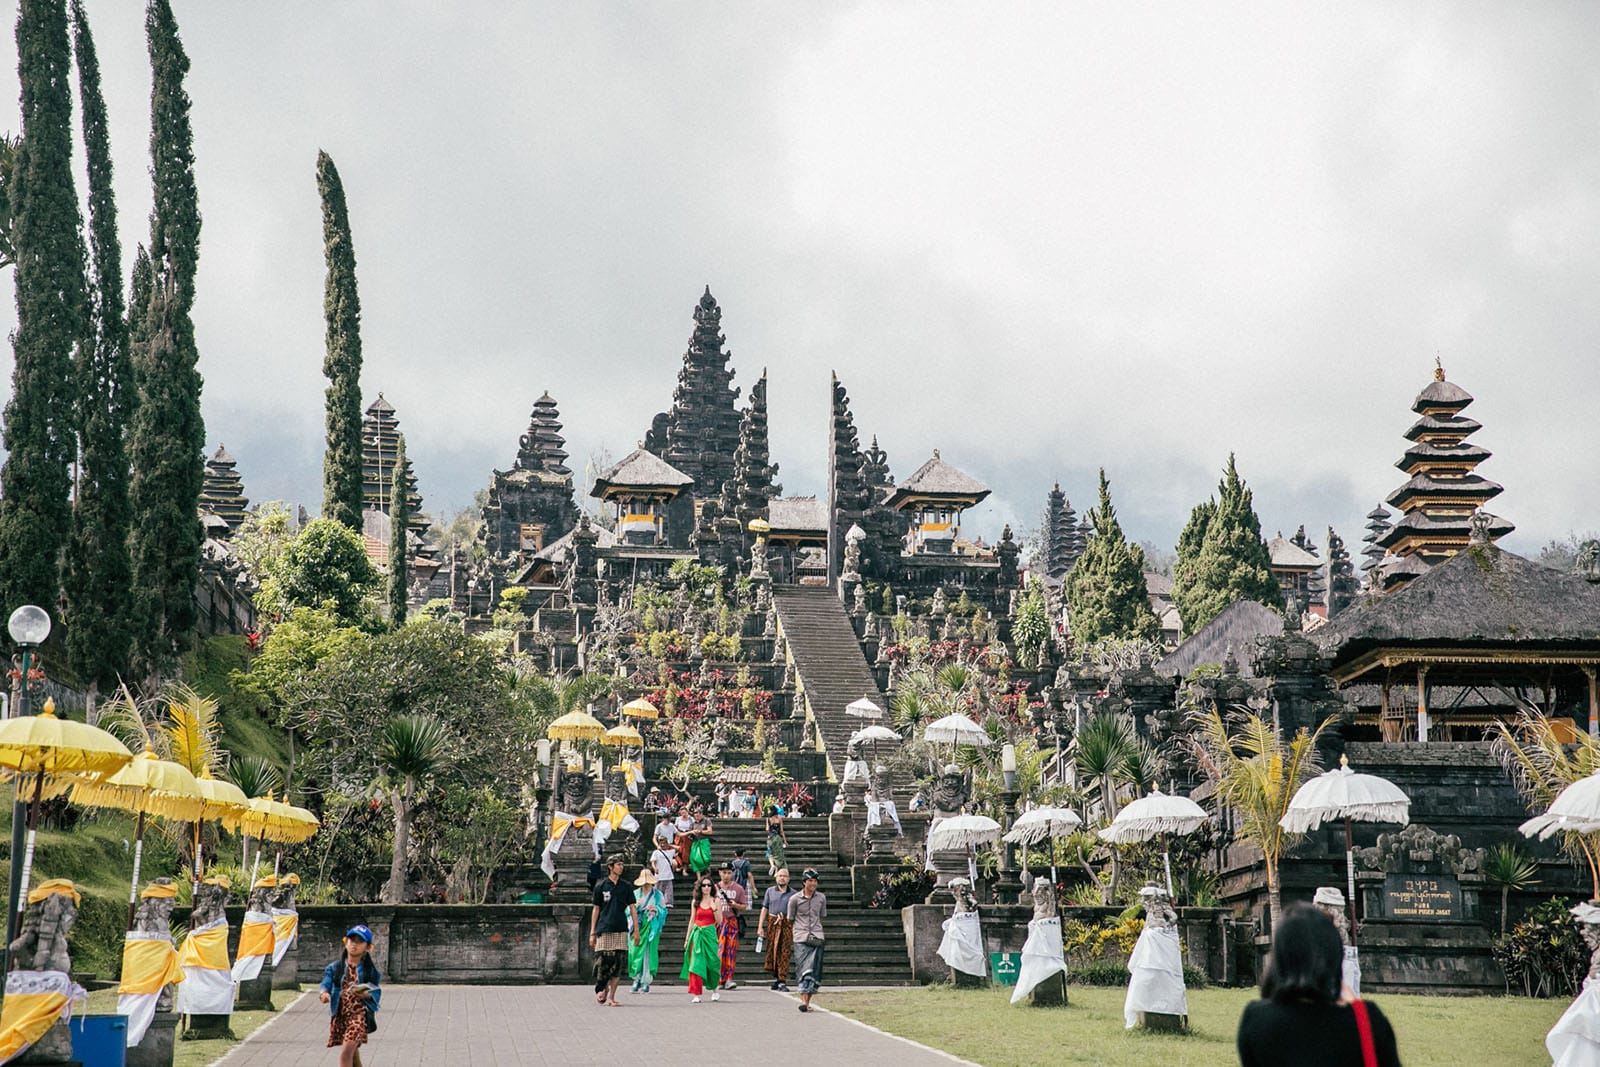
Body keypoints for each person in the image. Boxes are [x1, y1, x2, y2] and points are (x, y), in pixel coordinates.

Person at [1237, 904, 1401, 1066]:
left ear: (1279, 957)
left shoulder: (1256, 1021)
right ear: (1334, 954)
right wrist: (1358, 1011)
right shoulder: (1367, 1022)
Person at [320, 924, 382, 1067]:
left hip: (359, 1016)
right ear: (345, 941)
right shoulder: (335, 967)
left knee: (346, 1052)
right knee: (352, 1054)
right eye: (352, 940)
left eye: (360, 941)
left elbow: (375, 992)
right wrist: (324, 993)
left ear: (368, 947)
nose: (354, 944)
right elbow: (327, 982)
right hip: (341, 1015)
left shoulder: (370, 971)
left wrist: (365, 995)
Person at [589, 855, 640, 1007]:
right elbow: (596, 909)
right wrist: (592, 932)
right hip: (604, 927)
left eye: (622, 864)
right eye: (618, 864)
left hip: (621, 928)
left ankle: (611, 996)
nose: (621, 867)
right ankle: (601, 988)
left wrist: (636, 930)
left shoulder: (626, 886)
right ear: (610, 867)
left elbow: (632, 908)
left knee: (618, 964)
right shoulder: (601, 886)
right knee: (602, 961)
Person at [788, 869, 827, 1013]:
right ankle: (804, 1001)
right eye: (810, 881)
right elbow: (790, 918)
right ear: (804, 882)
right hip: (801, 936)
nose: (813, 884)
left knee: (815, 970)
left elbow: (822, 915)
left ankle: (808, 1001)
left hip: (817, 936)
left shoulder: (821, 898)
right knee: (804, 969)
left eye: (815, 881)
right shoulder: (794, 899)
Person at [680, 877, 722, 1003]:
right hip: (697, 933)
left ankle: (715, 989)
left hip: (710, 933)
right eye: (704, 885)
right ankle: (696, 993)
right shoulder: (695, 901)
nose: (706, 887)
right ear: (700, 887)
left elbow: (719, 921)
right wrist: (687, 939)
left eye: (709, 885)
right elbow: (692, 920)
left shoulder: (716, 900)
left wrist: (714, 909)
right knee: (696, 963)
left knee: (712, 963)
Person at [628, 868, 669, 994]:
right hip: (637, 925)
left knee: (648, 953)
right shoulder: (635, 894)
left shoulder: (658, 895)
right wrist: (635, 907)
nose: (646, 885)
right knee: (635, 952)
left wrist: (656, 909)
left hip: (651, 925)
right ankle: (636, 979)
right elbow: (626, 911)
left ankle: (646, 981)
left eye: (648, 883)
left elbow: (664, 911)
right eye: (644, 883)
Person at [713, 861, 750, 991]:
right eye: (724, 873)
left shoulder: (738, 888)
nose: (726, 875)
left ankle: (728, 978)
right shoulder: (714, 888)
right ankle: (718, 978)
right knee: (719, 950)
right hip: (718, 921)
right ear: (719, 873)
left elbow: (745, 906)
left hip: (732, 920)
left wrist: (736, 905)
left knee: (730, 950)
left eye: (729, 873)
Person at [759, 868, 797, 991]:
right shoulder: (770, 891)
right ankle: (776, 977)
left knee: (784, 951)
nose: (782, 878)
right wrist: (760, 926)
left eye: (784, 876)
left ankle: (782, 979)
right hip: (773, 923)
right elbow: (764, 908)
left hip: (787, 923)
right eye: (780, 875)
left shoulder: (794, 894)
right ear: (776, 877)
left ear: (788, 878)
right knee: (772, 951)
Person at [649, 834, 678, 909]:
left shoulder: (671, 852)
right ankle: (657, 903)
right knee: (658, 890)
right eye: (661, 843)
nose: (662, 845)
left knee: (668, 890)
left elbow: (679, 849)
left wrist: (669, 845)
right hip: (659, 875)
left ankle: (668, 903)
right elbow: (653, 862)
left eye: (664, 843)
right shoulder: (656, 852)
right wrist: (655, 868)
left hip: (668, 875)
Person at [765, 807, 789, 877]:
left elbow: (767, 829)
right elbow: (781, 831)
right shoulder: (779, 818)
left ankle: (772, 865)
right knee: (778, 854)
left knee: (770, 853)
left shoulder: (768, 819)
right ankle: (776, 870)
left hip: (770, 838)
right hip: (778, 838)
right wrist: (785, 841)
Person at [673, 807, 696, 872]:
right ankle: (680, 866)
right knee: (679, 851)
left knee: (686, 852)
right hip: (680, 836)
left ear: (687, 812)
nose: (683, 814)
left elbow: (694, 826)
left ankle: (685, 868)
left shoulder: (691, 819)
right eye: (682, 813)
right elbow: (675, 828)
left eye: (685, 812)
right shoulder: (678, 819)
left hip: (688, 837)